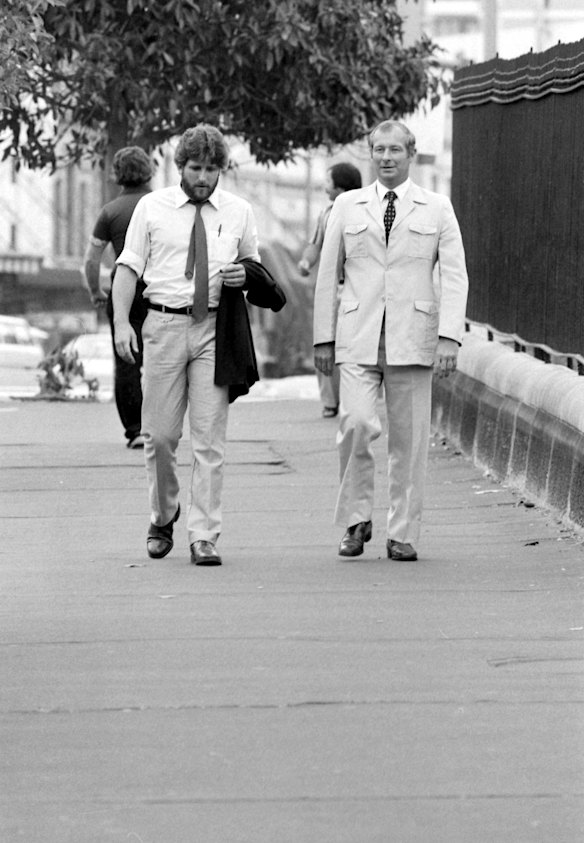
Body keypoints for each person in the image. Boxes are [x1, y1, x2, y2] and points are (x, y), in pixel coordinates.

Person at [112, 124, 285, 567]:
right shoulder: (151, 208)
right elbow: (128, 269)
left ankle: (203, 534)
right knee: (161, 436)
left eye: (212, 169)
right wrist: (120, 324)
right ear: (180, 167)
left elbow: (253, 264)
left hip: (214, 331)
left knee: (209, 439)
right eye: (196, 168)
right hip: (163, 325)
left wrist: (245, 275)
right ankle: (163, 513)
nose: (204, 177)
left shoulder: (239, 210)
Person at [313, 120, 468, 561]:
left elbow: (455, 277)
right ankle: (355, 519)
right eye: (378, 149)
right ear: (370, 154)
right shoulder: (347, 205)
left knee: (409, 441)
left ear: (410, 154)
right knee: (356, 425)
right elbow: (328, 275)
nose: (386, 157)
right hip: (358, 337)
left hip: (413, 339)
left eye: (394, 149)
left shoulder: (437, 208)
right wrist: (323, 339)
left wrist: (448, 339)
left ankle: (402, 532)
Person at [83, 146, 153, 449]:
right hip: (160, 289)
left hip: (124, 291)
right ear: (149, 170)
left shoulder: (110, 212)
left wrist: (96, 291)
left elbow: (91, 261)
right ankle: (163, 425)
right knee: (165, 360)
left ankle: (136, 430)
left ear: (116, 175)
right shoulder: (162, 205)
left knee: (127, 360)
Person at [298, 162, 362, 418]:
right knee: (324, 341)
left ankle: (352, 399)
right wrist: (305, 262)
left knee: (354, 347)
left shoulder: (364, 210)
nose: (325, 186)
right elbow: (315, 244)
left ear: (341, 185)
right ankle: (329, 400)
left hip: (359, 290)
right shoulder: (326, 213)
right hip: (333, 289)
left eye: (328, 181)